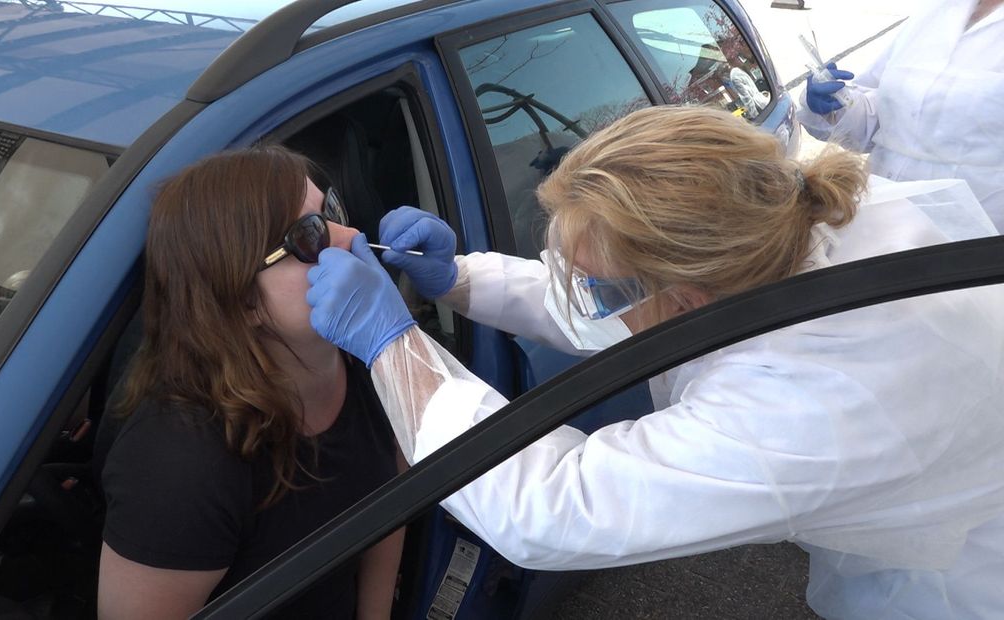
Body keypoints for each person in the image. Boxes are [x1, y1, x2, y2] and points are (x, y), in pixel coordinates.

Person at [304, 106, 1004, 618]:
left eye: (596, 280)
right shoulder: (770, 221)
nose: (579, 292)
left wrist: (393, 344)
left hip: (960, 580)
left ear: (690, 299)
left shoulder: (819, 403)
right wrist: (458, 278)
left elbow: (550, 510)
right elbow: (618, 304)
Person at [95, 147, 402, 619]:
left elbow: (389, 502)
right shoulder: (180, 468)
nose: (353, 236)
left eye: (332, 210)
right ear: (241, 302)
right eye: (310, 235)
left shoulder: (367, 352)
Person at [800, 0, 1004, 232]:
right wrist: (835, 105)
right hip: (877, 221)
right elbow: (884, 118)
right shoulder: (938, 11)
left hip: (972, 241)